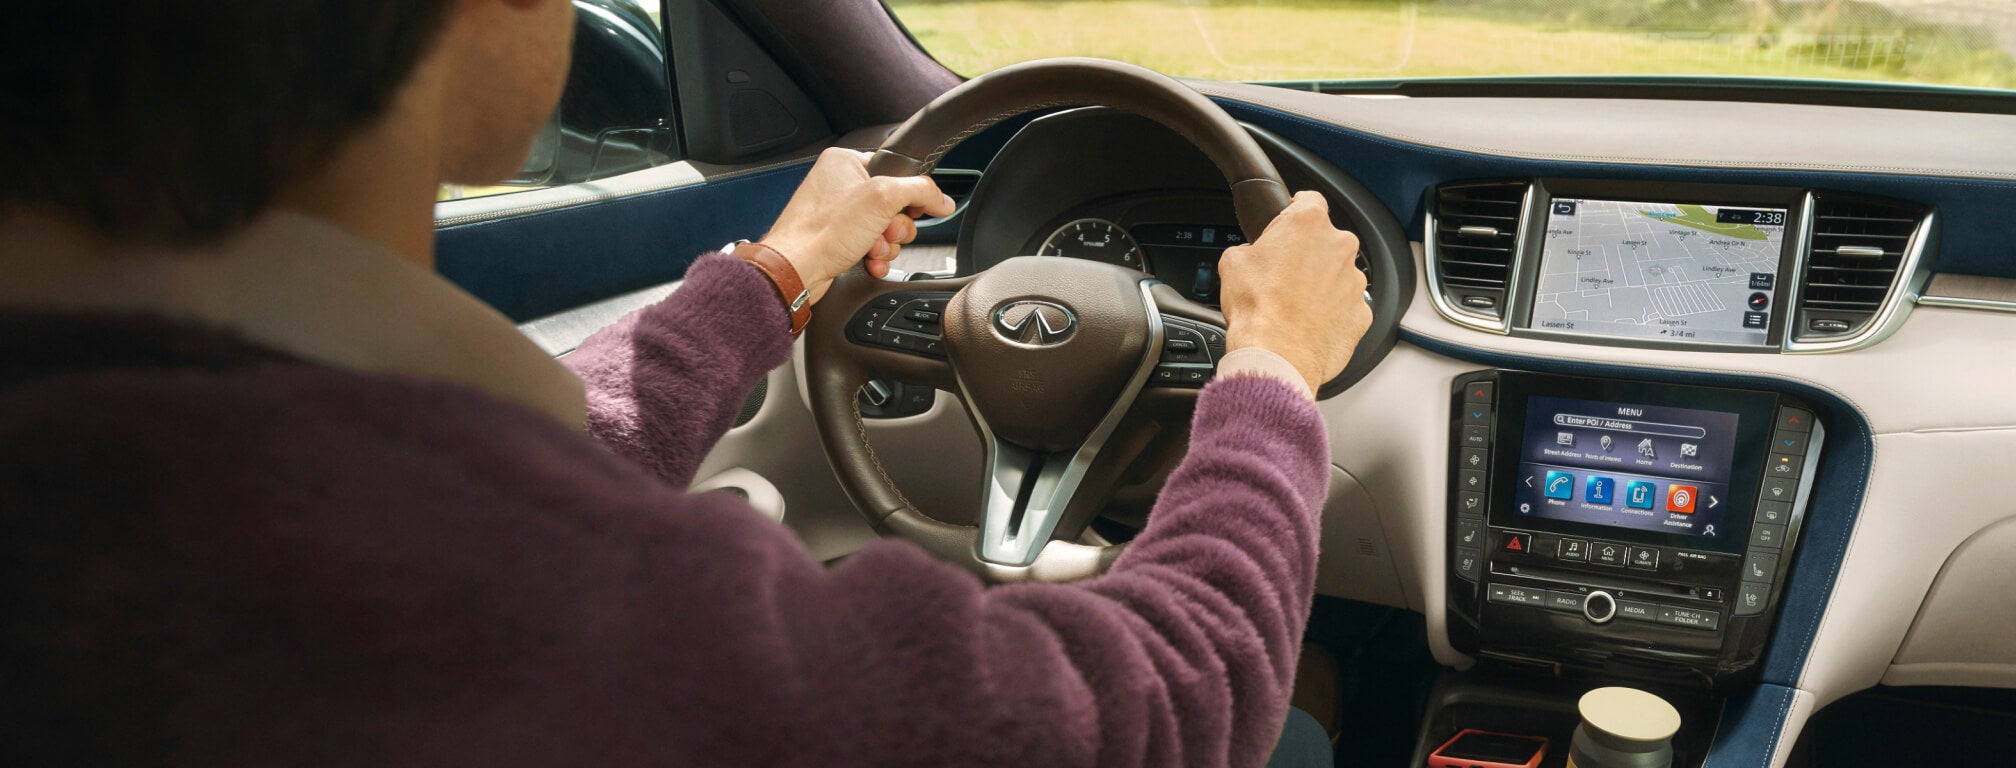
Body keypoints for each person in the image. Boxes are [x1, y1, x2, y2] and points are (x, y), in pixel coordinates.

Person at [0, 1, 1371, 766]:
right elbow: (1173, 697)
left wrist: (776, 278)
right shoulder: (571, 612)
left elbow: (560, 456)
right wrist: (1265, 367)